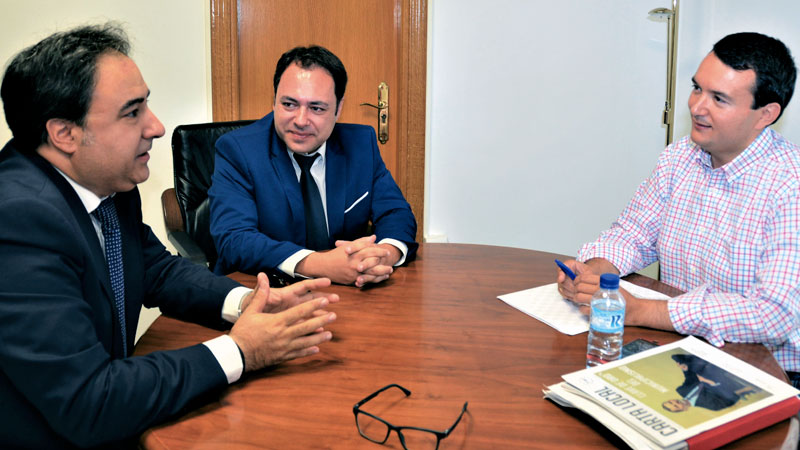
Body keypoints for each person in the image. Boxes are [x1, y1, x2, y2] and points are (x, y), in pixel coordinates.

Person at [0, 23, 338, 448]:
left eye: (148, 105)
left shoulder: (108, 184)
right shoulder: (17, 220)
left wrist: (247, 303)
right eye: (132, 112)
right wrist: (241, 351)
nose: (157, 127)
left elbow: (156, 269)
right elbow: (90, 400)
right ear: (64, 134)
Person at [556, 32, 800, 384]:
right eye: (697, 88)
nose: (697, 107)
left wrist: (645, 311)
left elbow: (773, 314)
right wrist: (592, 274)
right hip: (682, 349)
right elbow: (633, 234)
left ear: (766, 114)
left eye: (719, 99)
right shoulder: (680, 157)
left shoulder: (790, 185)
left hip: (771, 373)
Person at [208, 45, 418, 287]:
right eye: (289, 104)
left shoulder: (360, 144)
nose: (300, 120)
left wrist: (382, 255)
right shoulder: (238, 150)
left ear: (338, 109)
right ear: (274, 100)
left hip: (351, 292)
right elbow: (234, 239)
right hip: (265, 290)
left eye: (316, 108)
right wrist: (322, 265)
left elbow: (395, 212)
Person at [662, 354, 755, 413]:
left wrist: (685, 369)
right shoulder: (712, 406)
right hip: (722, 383)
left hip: (705, 374)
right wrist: (711, 383)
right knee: (707, 369)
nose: (675, 402)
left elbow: (690, 379)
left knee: (678, 359)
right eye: (676, 406)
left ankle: (698, 359)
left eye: (670, 402)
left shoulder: (681, 390)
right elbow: (732, 397)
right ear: (684, 409)